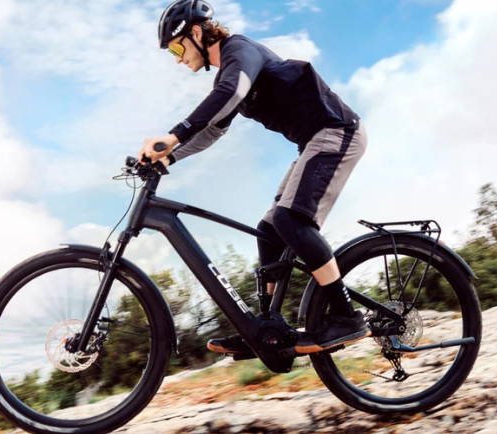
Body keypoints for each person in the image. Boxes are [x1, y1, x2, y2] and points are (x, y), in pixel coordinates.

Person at [139, 0, 369, 355]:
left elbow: (229, 93)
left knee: (291, 220)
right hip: (314, 142)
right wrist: (169, 156)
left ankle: (346, 317)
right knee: (270, 230)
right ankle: (267, 330)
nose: (176, 57)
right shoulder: (231, 71)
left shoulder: (240, 51)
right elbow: (213, 131)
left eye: (175, 47)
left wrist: (173, 134)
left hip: (338, 132)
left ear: (196, 33)